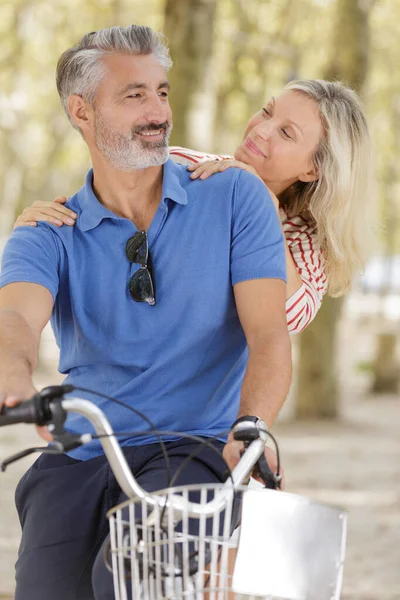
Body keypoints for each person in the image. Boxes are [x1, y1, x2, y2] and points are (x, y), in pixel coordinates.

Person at [0, 25, 291, 600]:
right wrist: (14, 381)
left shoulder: (234, 196)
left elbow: (268, 332)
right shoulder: (47, 230)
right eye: (135, 95)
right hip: (81, 452)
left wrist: (251, 422)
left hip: (197, 447)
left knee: (130, 581)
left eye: (162, 91)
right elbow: (15, 322)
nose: (159, 110)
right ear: (81, 110)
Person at [15, 79, 375, 334]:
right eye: (266, 112)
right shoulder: (183, 166)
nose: (261, 130)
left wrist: (261, 204)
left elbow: (289, 316)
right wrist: (42, 229)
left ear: (313, 169)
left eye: (286, 133)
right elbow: (97, 215)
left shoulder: (303, 239)